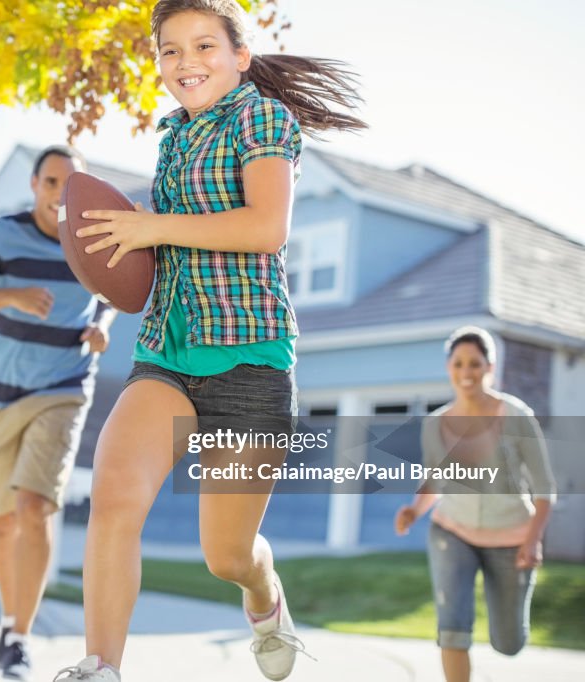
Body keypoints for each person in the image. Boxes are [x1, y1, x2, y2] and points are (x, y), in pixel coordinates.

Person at [51, 1, 365, 680]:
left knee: (226, 556)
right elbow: (159, 249)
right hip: (165, 353)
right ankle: (101, 666)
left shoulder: (262, 118)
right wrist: (120, 242)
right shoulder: (173, 138)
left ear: (239, 56)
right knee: (113, 501)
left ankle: (265, 596)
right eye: (170, 50)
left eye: (203, 46)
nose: (185, 62)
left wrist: (154, 227)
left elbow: (264, 229)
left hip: (248, 361)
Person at [0, 145, 116, 681]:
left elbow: (111, 291)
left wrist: (103, 322)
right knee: (7, 519)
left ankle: (20, 638)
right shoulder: (0, 235)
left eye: (71, 184)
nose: (62, 193)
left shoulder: (91, 236)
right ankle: (10, 622)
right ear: (35, 184)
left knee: (34, 507)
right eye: (52, 182)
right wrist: (5, 296)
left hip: (62, 385)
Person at [394, 326, 557, 682]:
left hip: (511, 537)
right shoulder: (435, 424)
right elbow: (434, 480)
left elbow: (545, 488)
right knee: (452, 626)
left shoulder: (516, 416)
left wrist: (532, 541)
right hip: (453, 531)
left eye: (475, 364)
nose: (466, 372)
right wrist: (414, 510)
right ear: (449, 368)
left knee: (509, 641)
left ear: (489, 367)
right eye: (459, 364)